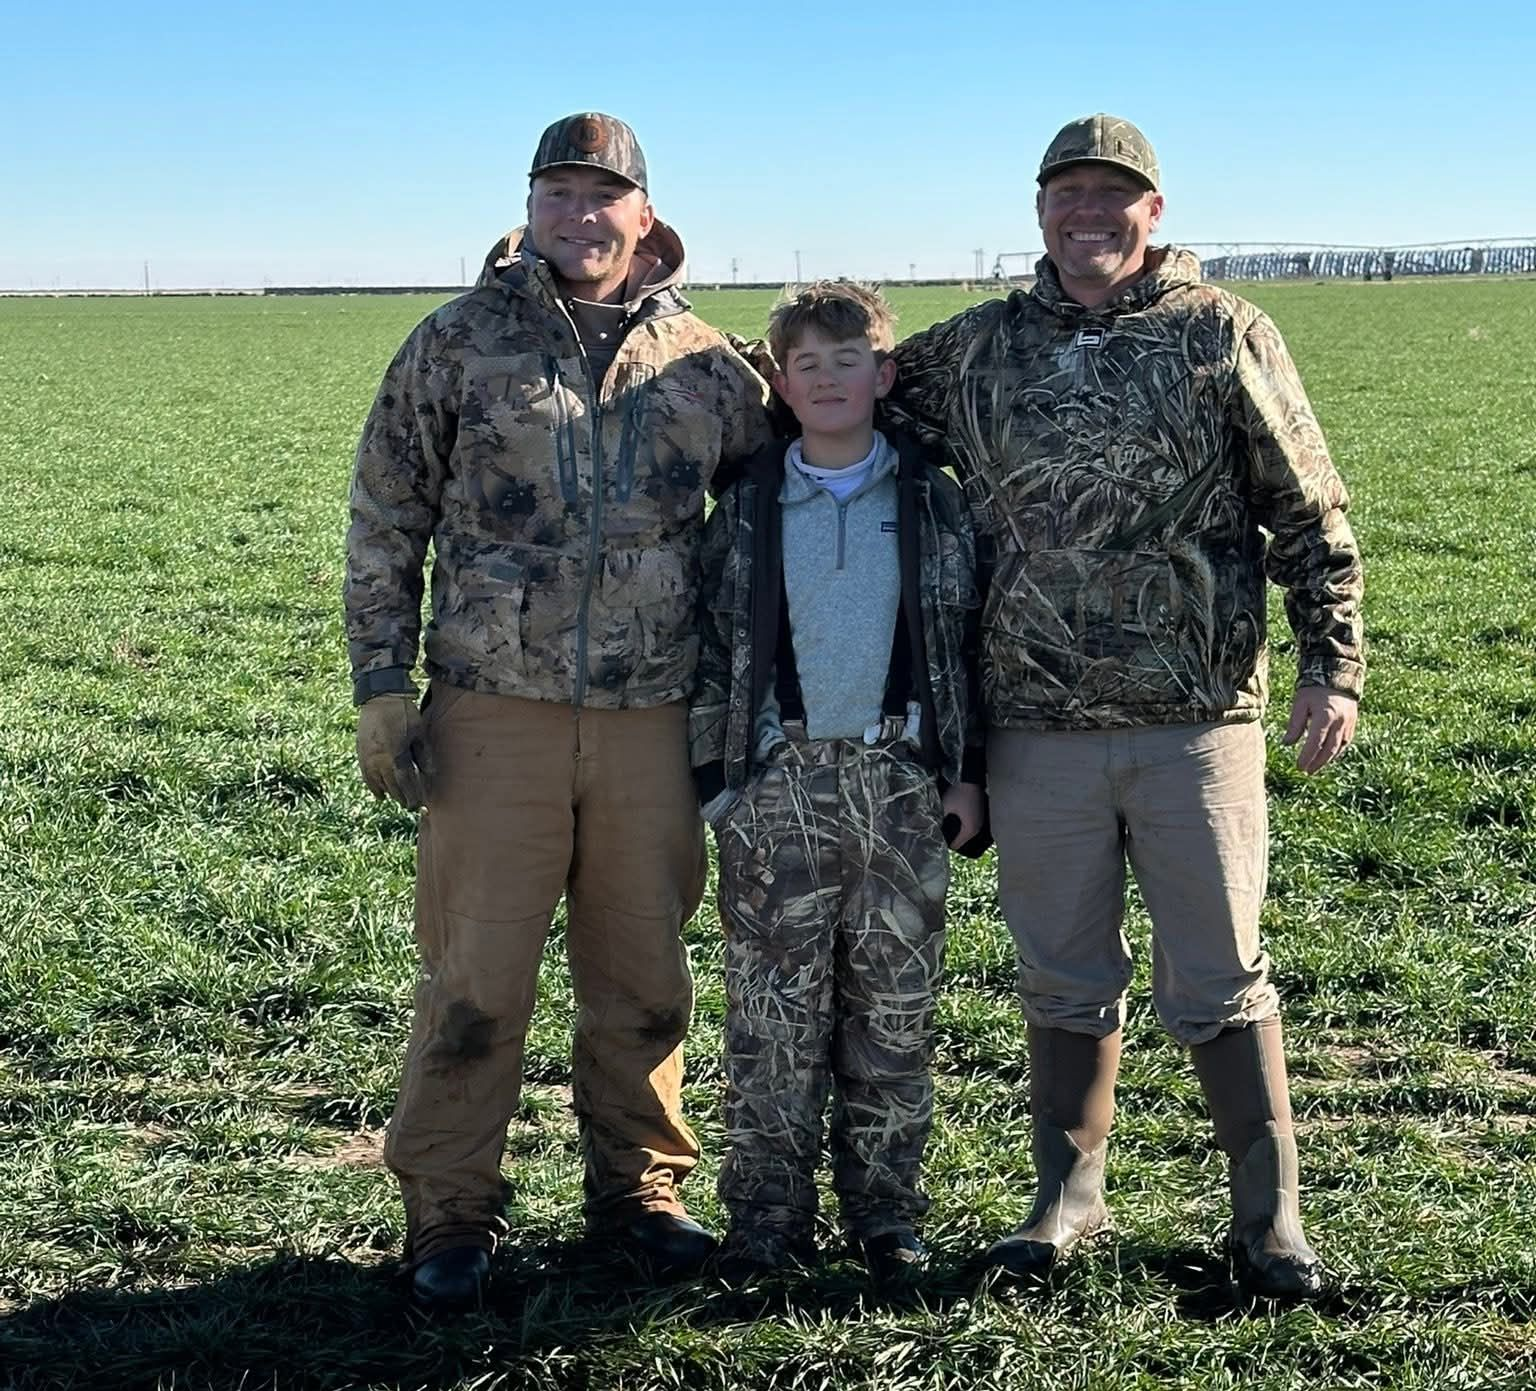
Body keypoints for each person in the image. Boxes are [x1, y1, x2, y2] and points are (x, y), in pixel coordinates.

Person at [887, 114, 1364, 1300]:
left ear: (1155, 213)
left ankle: (1270, 1220)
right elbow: (830, 375)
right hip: (1035, 726)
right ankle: (1067, 1197)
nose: (1087, 213)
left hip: (1195, 721)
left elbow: (1308, 508)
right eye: (1067, 194)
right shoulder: (979, 350)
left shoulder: (1219, 334)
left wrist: (1333, 664)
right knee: (1059, 972)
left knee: (1220, 972)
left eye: (1114, 195)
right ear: (1038, 209)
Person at [345, 111, 773, 1308]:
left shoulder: (707, 363)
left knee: (642, 970)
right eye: (556, 194)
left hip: (652, 717)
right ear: (529, 207)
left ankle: (639, 1188)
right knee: (475, 979)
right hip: (495, 714)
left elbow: (782, 508)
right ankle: (448, 1207)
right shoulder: (457, 343)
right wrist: (383, 688)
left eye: (603, 197)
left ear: (646, 215)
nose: (579, 217)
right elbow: (386, 517)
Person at [690, 283, 989, 1287]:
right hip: (780, 784)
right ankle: (765, 1218)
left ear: (885, 373)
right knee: (773, 1016)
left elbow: (964, 648)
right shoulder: (746, 508)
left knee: (893, 1015)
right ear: (779, 382)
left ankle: (886, 1212)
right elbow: (713, 650)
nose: (826, 377)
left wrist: (965, 773)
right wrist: (721, 784)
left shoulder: (935, 502)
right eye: (804, 363)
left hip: (901, 784)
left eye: (847, 358)